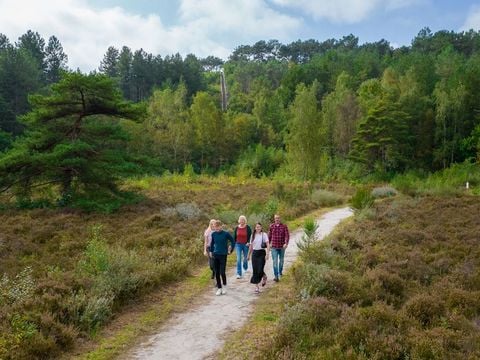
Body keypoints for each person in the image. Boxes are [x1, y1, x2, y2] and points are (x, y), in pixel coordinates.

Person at [209, 220, 235, 295]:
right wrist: (211, 251)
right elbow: (212, 243)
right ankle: (219, 288)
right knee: (217, 272)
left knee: (222, 272)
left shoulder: (226, 234)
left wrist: (231, 249)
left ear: (221, 226)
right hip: (215, 254)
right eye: (215, 227)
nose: (216, 228)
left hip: (223, 255)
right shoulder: (213, 234)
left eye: (217, 227)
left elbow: (233, 241)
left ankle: (224, 286)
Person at [248, 222, 270, 293]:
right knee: (255, 270)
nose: (258, 228)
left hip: (261, 253)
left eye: (259, 227)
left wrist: (267, 254)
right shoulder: (252, 235)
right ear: (255, 228)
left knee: (260, 269)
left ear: (261, 227)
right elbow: (251, 246)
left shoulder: (264, 235)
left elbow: (267, 244)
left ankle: (264, 276)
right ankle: (257, 287)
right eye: (257, 227)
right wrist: (248, 255)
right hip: (254, 253)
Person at [268, 214, 289, 282]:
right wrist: (268, 244)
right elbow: (269, 236)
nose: (277, 219)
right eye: (276, 218)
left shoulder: (284, 226)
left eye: (278, 218)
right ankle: (276, 276)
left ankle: (280, 271)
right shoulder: (271, 226)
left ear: (280, 219)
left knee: (281, 261)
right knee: (275, 261)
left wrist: (286, 243)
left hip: (281, 247)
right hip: (274, 247)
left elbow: (287, 235)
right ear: (274, 219)